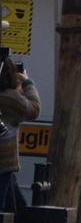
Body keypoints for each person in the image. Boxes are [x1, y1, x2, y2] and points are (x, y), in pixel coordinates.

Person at [0, 56, 40, 211]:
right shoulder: (11, 98)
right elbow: (34, 109)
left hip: (6, 167)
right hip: (5, 162)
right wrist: (26, 82)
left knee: (17, 206)